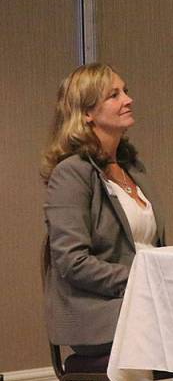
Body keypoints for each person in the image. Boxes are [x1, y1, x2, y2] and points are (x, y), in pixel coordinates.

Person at [42, 63, 165, 358]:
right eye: (114, 95)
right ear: (87, 113)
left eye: (126, 91)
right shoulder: (71, 173)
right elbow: (72, 262)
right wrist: (141, 280)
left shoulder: (134, 168)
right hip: (100, 311)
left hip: (147, 299)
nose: (128, 99)